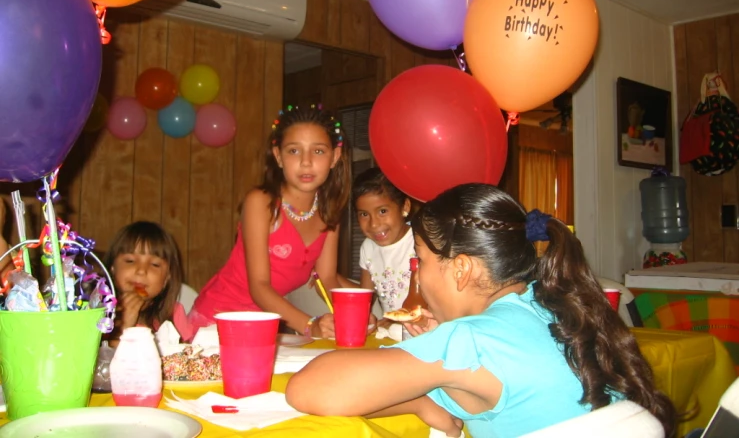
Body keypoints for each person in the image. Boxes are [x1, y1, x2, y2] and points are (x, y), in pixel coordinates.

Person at [286, 184, 677, 438]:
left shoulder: (468, 342)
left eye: (419, 261)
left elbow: (309, 388)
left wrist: (425, 389)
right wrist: (423, 393)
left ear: (461, 269)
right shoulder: (555, 303)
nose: (417, 279)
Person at [189, 104, 356, 340]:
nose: (306, 162)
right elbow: (259, 287)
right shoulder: (261, 203)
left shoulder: (329, 212)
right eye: (294, 151)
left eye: (318, 151)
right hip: (215, 323)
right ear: (278, 156)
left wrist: (359, 312)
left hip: (264, 327)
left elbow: (327, 277)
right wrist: (310, 325)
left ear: (334, 157)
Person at [102, 221, 185, 345]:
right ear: (112, 268)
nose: (141, 271)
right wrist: (122, 328)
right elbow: (104, 359)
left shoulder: (174, 313)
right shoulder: (99, 312)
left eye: (155, 264)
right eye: (130, 261)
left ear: (167, 277)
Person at [354, 168, 413, 314]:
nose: (373, 224)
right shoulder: (368, 248)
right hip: (391, 332)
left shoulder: (420, 243)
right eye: (364, 214)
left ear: (404, 207)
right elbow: (365, 298)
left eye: (382, 211)